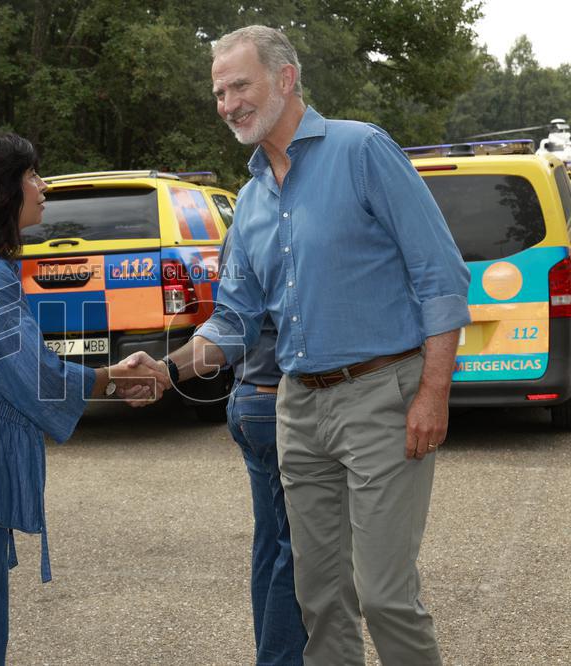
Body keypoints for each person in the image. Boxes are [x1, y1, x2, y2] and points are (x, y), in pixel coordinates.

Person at [128, 26, 470, 666]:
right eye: (219, 92)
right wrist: (166, 370)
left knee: (385, 594)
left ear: (285, 79)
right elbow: (232, 321)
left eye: (239, 85)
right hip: (298, 409)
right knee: (318, 596)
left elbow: (442, 277)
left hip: (382, 397)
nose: (228, 103)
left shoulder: (363, 149)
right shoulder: (252, 201)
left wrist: (433, 392)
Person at [0, 126, 168, 665]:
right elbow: (36, 379)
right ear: (1, 189)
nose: (42, 187)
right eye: (30, 175)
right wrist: (119, 377)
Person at [217, 223, 307, 665]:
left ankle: (271, 653)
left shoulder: (243, 223)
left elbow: (232, 316)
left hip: (247, 397)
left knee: (272, 544)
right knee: (297, 554)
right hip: (279, 399)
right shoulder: (295, 225)